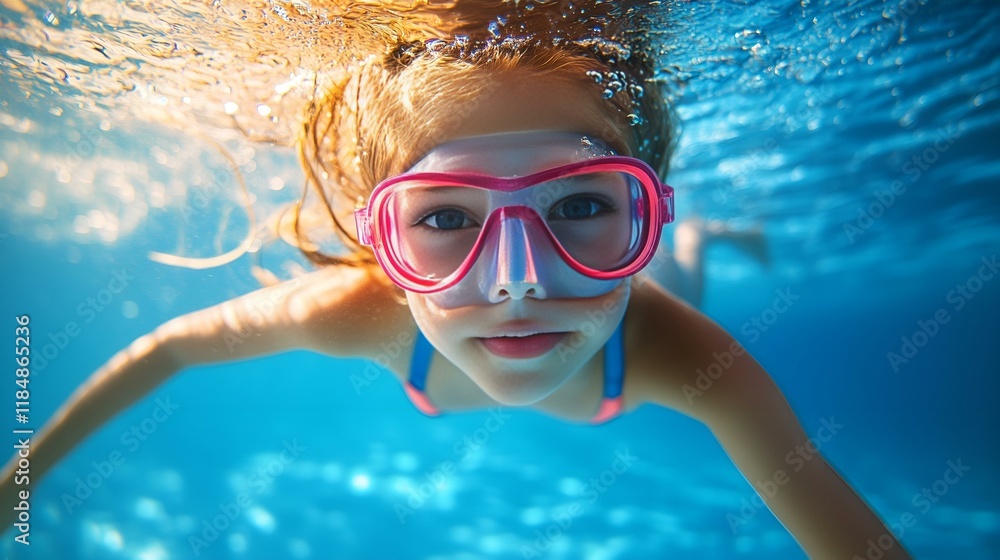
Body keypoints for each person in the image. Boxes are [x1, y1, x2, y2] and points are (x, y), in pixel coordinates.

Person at [1, 10, 908, 558]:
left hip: (648, 309)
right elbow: (168, 350)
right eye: (443, 219)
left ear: (647, 206)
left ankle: (700, 237)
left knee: (687, 277)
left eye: (583, 204)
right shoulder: (359, 313)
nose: (518, 283)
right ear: (379, 240)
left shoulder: (686, 355)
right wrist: (18, 484)